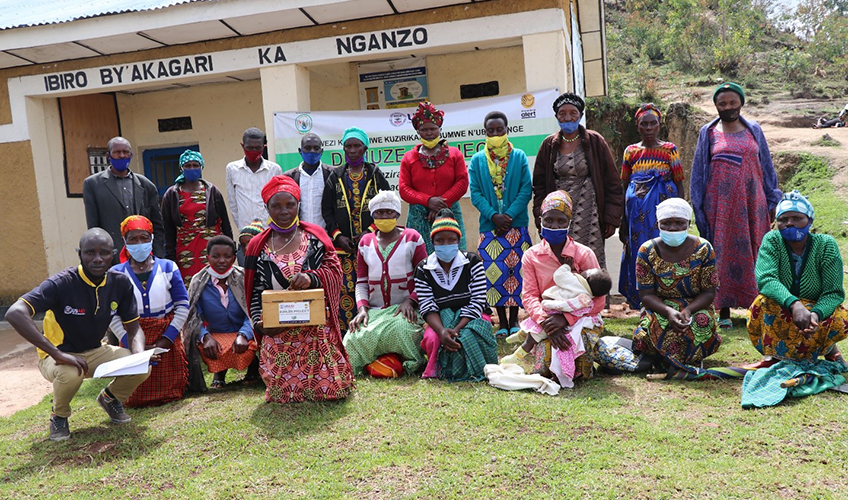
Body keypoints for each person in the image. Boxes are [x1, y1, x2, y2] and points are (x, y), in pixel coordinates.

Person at [4, 228, 151, 441]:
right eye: (90, 252)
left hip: (96, 351)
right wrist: (56, 354)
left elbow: (134, 327)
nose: (98, 259)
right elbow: (15, 313)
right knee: (70, 374)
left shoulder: (119, 283)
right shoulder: (61, 283)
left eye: (105, 253)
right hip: (58, 357)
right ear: (80, 254)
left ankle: (110, 399)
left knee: (141, 365)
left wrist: (139, 355)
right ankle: (59, 416)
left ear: (114, 253)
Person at [245, 175, 354, 403]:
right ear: (267, 207)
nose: (283, 211)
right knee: (282, 395)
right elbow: (254, 290)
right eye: (276, 206)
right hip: (278, 331)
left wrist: (312, 277)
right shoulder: (257, 245)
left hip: (315, 328)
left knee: (330, 391)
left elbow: (335, 271)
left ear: (298, 205)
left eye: (290, 205)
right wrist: (259, 325)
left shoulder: (315, 236)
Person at [743, 191, 848, 406]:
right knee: (763, 303)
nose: (790, 224)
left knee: (841, 317)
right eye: (783, 219)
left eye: (797, 218)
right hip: (783, 308)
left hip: (815, 311)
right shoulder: (772, 240)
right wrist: (794, 304)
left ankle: (828, 349)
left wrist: (815, 314)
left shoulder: (825, 245)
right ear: (777, 223)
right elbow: (766, 279)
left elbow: (833, 292)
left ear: (809, 221)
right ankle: (775, 356)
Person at [690, 82, 782, 328]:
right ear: (716, 106)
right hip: (720, 206)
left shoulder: (754, 130)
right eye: (722, 103)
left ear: (741, 102)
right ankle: (724, 312)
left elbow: (766, 165)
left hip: (753, 203)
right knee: (722, 253)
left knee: (757, 252)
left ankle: (758, 309)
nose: (728, 107)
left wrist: (773, 198)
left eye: (732, 102)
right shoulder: (707, 133)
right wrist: (698, 207)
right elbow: (699, 172)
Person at [532, 93, 624, 272]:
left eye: (573, 113)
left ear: (580, 115)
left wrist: (611, 218)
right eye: (562, 113)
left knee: (591, 263)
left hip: (591, 215)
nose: (567, 118)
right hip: (558, 218)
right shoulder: (549, 145)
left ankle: (595, 300)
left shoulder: (595, 141)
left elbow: (613, 183)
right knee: (560, 262)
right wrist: (540, 219)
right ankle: (564, 300)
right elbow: (540, 186)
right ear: (556, 116)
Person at [632, 198, 722, 380]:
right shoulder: (646, 250)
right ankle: (677, 359)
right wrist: (668, 312)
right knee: (651, 329)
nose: (673, 228)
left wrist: (687, 310)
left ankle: (674, 359)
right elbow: (646, 295)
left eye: (679, 223)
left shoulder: (704, 249)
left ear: (688, 224)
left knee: (701, 323)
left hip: (695, 306)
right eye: (667, 223)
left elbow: (709, 292)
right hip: (659, 306)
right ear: (657, 224)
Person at [520, 191, 606, 380]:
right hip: (547, 318)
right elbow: (529, 296)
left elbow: (599, 301)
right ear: (540, 219)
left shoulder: (584, 254)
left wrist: (567, 319)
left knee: (582, 370)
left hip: (582, 318)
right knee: (543, 369)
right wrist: (547, 322)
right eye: (549, 220)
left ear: (569, 223)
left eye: (561, 221)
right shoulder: (531, 256)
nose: (554, 225)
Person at [342, 191, 428, 375]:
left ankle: (409, 364)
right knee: (353, 338)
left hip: (405, 309)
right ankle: (370, 364)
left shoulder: (413, 238)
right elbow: (362, 282)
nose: (384, 216)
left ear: (397, 214)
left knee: (402, 330)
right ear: (373, 216)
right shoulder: (365, 242)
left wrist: (410, 301)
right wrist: (362, 309)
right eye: (379, 213)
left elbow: (424, 277)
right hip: (375, 312)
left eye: (389, 212)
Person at [110, 216, 190, 407]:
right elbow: (112, 315)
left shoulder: (168, 267)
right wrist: (130, 342)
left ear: (152, 238)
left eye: (144, 238)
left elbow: (182, 305)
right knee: (135, 394)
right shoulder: (116, 274)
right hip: (132, 335)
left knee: (171, 388)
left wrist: (166, 339)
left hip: (166, 336)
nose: (139, 243)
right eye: (133, 239)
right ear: (125, 242)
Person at [468, 111, 533, 337]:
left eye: (499, 130)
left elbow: (526, 189)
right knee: (493, 273)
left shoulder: (519, 157)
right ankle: (501, 322)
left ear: (507, 130)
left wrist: (509, 216)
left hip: (517, 225)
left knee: (516, 271)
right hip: (489, 226)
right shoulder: (477, 160)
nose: (495, 134)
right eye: (491, 131)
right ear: (485, 132)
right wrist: (494, 215)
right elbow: (475, 193)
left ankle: (515, 320)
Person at [414, 209, 497, 381]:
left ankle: (476, 368)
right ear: (432, 242)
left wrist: (457, 329)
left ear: (459, 241)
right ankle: (437, 369)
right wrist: (442, 331)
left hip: (473, 315)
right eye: (440, 240)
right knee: (432, 338)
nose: (446, 244)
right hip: (440, 320)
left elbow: (478, 300)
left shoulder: (472, 262)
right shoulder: (423, 269)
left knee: (470, 335)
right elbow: (427, 306)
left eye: (451, 240)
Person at [322, 127, 391, 332]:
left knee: (372, 288)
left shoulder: (375, 174)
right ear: (343, 148)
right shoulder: (335, 177)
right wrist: (338, 236)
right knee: (345, 292)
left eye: (357, 146)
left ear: (365, 148)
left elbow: (388, 204)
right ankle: (347, 336)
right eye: (348, 146)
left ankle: (374, 333)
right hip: (343, 249)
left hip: (372, 245)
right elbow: (327, 211)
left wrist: (370, 230)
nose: (352, 150)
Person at [618, 104, 685, 309]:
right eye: (643, 124)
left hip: (662, 214)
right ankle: (641, 299)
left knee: (664, 250)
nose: (648, 127)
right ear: (637, 126)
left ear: (659, 125)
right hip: (636, 217)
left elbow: (679, 181)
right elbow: (624, 183)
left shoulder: (669, 150)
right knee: (640, 252)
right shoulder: (631, 152)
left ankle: (667, 296)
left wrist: (681, 212)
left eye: (652, 123)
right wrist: (623, 219)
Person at [501, 264, 612, 381]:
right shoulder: (587, 298)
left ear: (588, 278)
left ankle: (517, 354)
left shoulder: (576, 281)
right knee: (539, 329)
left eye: (587, 271)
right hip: (565, 319)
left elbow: (559, 276)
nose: (583, 271)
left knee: (535, 335)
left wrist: (566, 266)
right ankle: (521, 336)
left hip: (553, 313)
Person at [183, 235, 259, 390]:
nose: (222, 261)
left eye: (227, 256)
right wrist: (205, 337)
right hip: (217, 333)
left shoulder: (244, 277)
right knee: (213, 347)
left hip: (245, 331)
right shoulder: (199, 281)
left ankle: (253, 367)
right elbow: (192, 316)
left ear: (234, 257)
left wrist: (244, 334)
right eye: (216, 256)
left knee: (246, 344)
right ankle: (219, 373)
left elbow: (252, 310)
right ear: (207, 257)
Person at [399, 101, 470, 254]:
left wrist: (441, 203)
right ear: (418, 131)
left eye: (433, 128)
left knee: (454, 256)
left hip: (450, 212)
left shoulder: (454, 154)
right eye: (424, 129)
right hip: (419, 216)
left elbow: (462, 182)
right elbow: (404, 189)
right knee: (419, 259)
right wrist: (428, 201)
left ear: (440, 129)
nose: (429, 133)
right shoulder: (408, 158)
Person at [83, 136, 165, 263]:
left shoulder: (146, 185)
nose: (122, 155)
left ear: (131, 155)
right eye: (117, 152)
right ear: (108, 156)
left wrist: (158, 256)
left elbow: (157, 225)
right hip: (112, 257)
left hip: (144, 255)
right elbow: (94, 227)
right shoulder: (93, 184)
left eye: (125, 152)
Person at [161, 150, 233, 285]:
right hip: (185, 249)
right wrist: (170, 257)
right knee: (190, 286)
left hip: (211, 248)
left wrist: (230, 247)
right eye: (188, 166)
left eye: (196, 165)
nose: (192, 169)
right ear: (181, 168)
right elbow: (168, 229)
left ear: (202, 167)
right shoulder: (172, 194)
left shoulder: (212, 191)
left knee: (213, 284)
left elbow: (225, 222)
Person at [226, 127, 283, 264]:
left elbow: (278, 202)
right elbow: (233, 204)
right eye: (249, 147)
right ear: (242, 146)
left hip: (270, 236)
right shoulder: (232, 169)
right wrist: (242, 228)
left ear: (264, 147)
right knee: (247, 279)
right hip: (245, 239)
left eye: (257, 148)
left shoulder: (274, 169)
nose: (253, 152)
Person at [283, 133, 333, 229]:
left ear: (321, 151)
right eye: (307, 148)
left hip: (328, 236)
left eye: (316, 148)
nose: (312, 151)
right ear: (300, 151)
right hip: (299, 236)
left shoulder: (332, 174)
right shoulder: (289, 178)